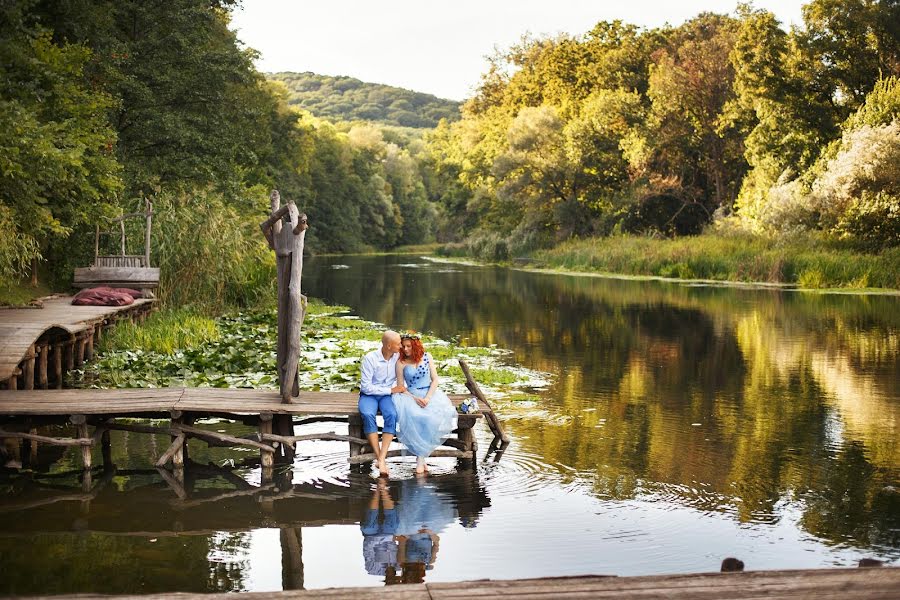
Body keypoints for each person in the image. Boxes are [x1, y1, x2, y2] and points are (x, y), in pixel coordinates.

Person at [392, 334, 458, 474]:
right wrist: (415, 399)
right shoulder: (401, 362)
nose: (405, 349)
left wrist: (427, 398)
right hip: (410, 396)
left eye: (408, 346)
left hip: (430, 394)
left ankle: (420, 458)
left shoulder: (427, 357)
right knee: (415, 416)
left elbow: (435, 380)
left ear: (415, 346)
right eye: (403, 346)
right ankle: (421, 460)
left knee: (431, 417)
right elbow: (400, 387)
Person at [360, 330, 407, 476]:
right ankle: (378, 454)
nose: (401, 346)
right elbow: (366, 387)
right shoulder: (370, 359)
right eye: (398, 344)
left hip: (388, 395)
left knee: (391, 414)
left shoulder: (398, 357)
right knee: (367, 414)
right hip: (370, 395)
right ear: (388, 346)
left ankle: (381, 459)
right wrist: (390, 390)